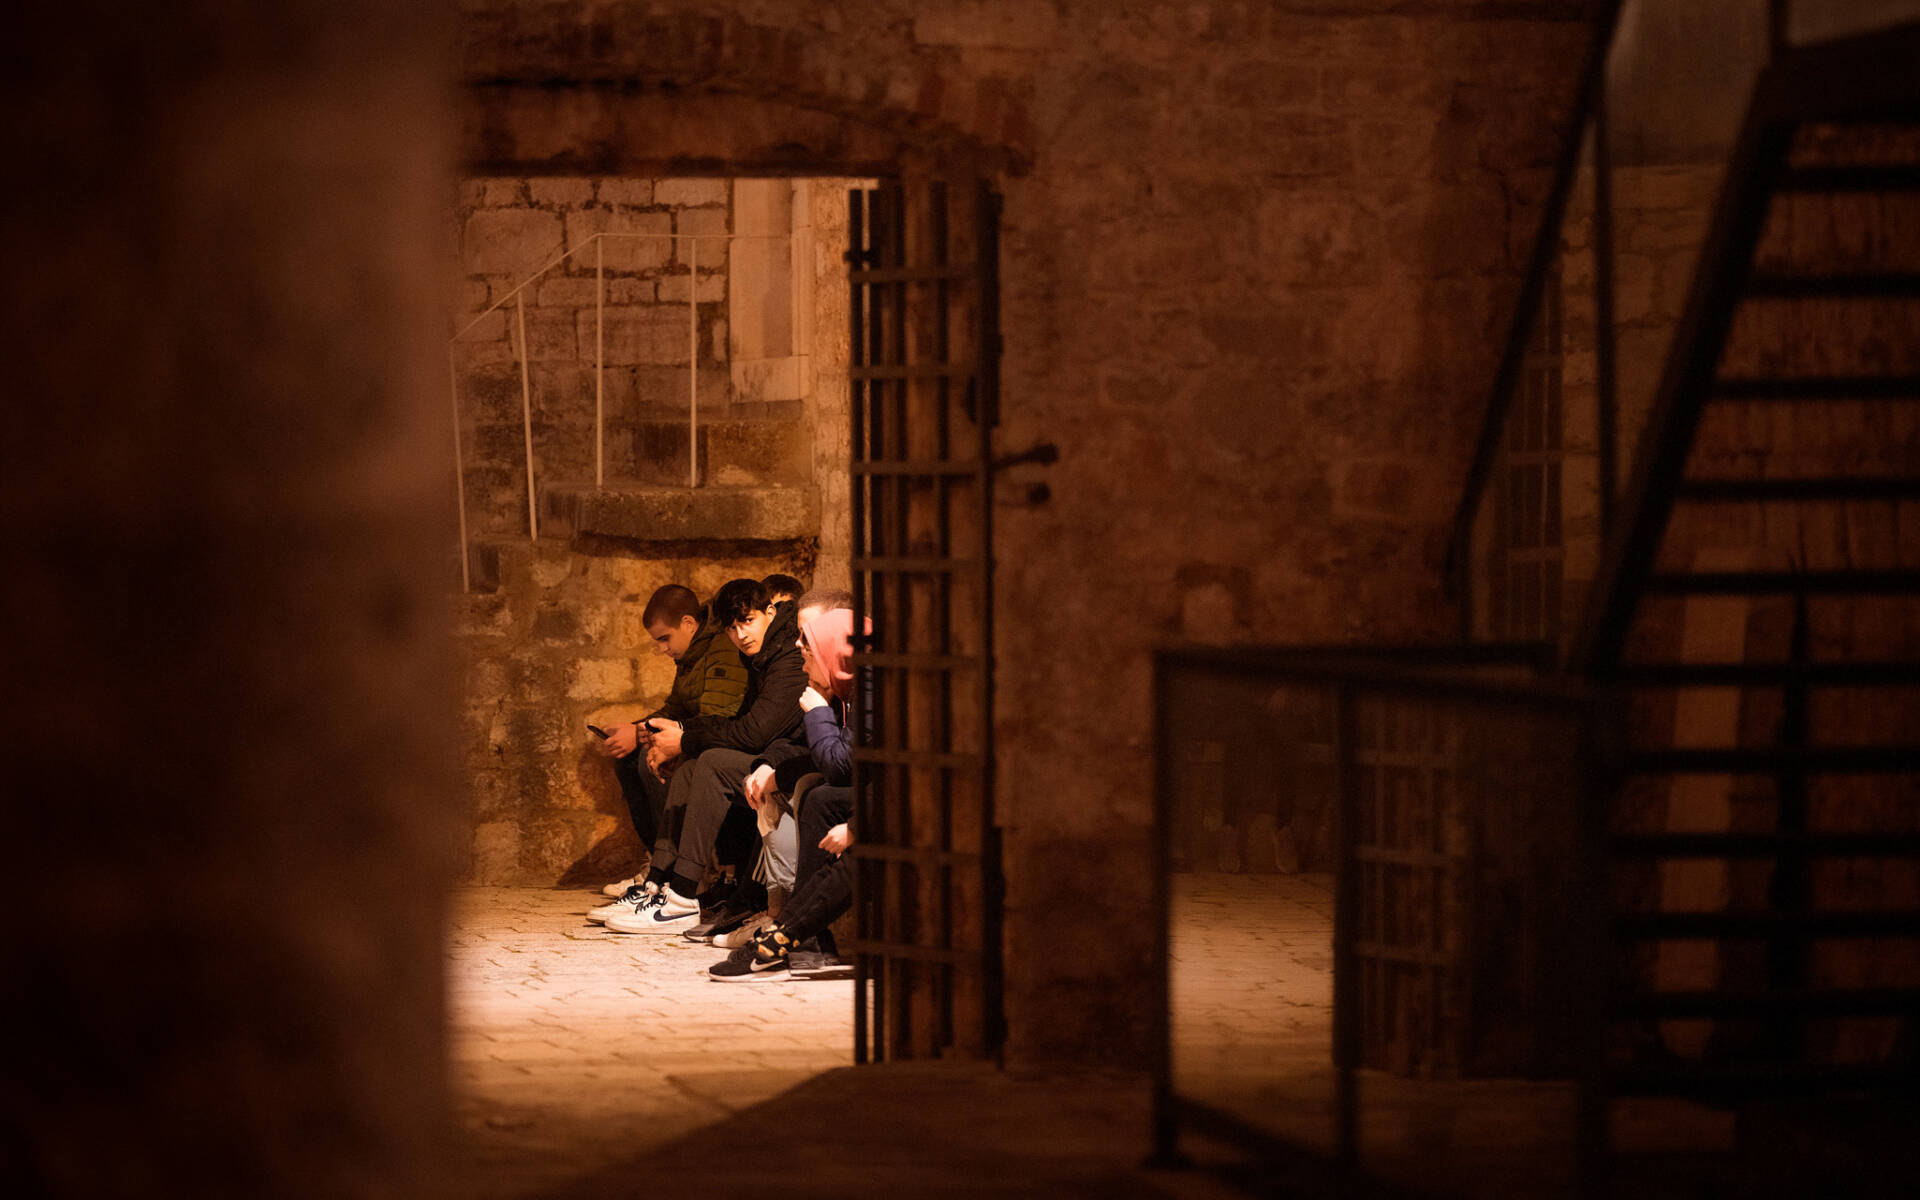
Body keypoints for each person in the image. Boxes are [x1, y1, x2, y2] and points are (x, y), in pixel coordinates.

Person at [602, 577, 807, 935]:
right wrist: (669, 736)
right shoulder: (761, 655)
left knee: (708, 762)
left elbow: (754, 732)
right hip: (774, 756)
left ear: (769, 613)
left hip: (794, 763)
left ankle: (683, 896)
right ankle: (659, 882)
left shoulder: (787, 656)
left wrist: (685, 739)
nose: (741, 635)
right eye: (732, 627)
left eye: (747, 622)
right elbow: (742, 722)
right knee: (694, 763)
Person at [710, 605, 862, 981]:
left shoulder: (863, 690)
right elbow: (793, 744)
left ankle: (786, 932)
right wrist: (770, 766)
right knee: (816, 793)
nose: (797, 647)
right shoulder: (845, 686)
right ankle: (796, 935)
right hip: (880, 794)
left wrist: (817, 714)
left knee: (823, 799)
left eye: (806, 641)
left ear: (832, 646)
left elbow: (844, 765)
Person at [587, 584, 746, 915]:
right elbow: (676, 708)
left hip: (720, 744)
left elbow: (717, 720)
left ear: (688, 623)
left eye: (664, 638)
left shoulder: (720, 651)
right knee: (631, 759)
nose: (661, 649)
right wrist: (638, 729)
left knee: (653, 762)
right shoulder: (690, 656)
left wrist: (665, 741)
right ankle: (658, 868)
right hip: (697, 735)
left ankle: (678, 875)